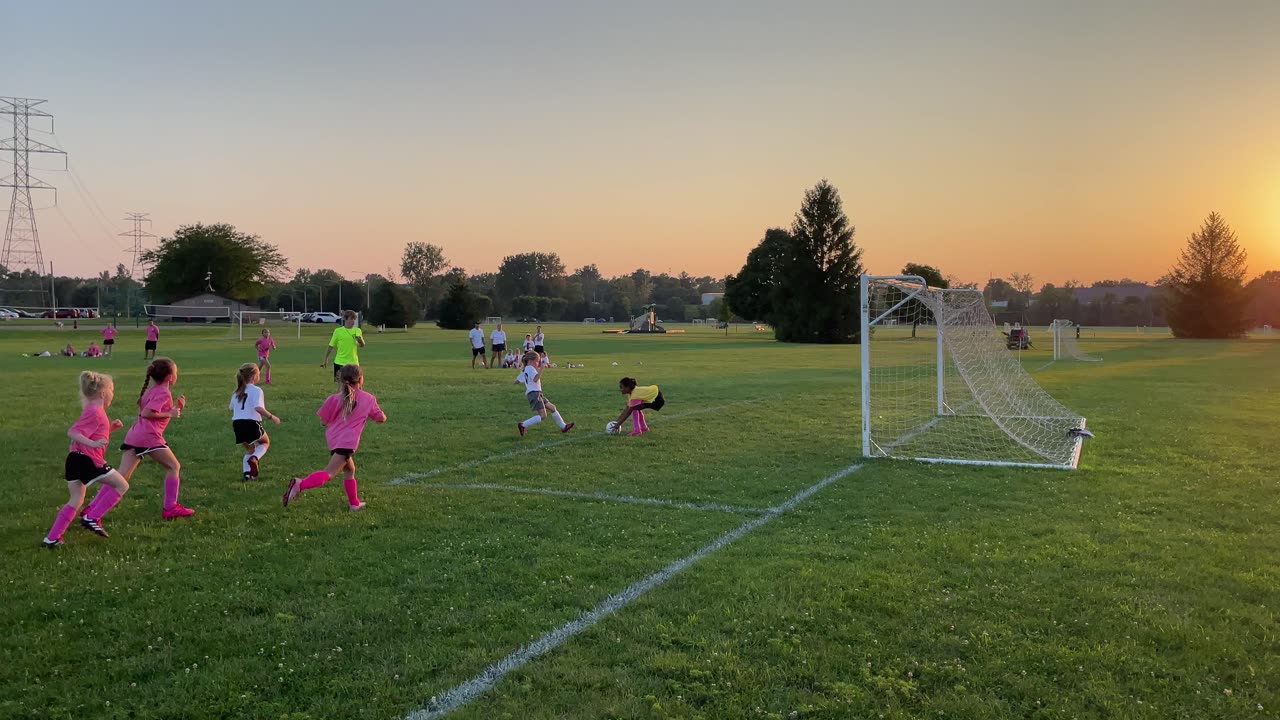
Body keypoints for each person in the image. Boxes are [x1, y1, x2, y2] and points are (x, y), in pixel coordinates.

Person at [42, 371, 131, 547]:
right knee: (122, 485)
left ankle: (52, 538)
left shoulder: (94, 411)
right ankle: (92, 517)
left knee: (76, 499)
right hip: (87, 460)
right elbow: (73, 432)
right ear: (103, 393)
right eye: (112, 390)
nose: (113, 393)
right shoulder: (95, 412)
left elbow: (92, 434)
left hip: (75, 459)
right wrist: (93, 443)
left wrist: (110, 430)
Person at [282, 363, 386, 511]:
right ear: (361, 379)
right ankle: (300, 484)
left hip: (334, 439)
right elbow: (380, 418)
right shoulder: (368, 399)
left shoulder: (334, 398)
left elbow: (323, 421)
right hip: (348, 442)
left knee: (349, 469)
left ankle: (354, 504)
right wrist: (381, 416)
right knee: (329, 473)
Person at [117, 357, 193, 519]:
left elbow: (156, 411)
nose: (177, 375)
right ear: (169, 377)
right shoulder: (164, 392)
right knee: (173, 466)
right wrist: (170, 413)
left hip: (135, 434)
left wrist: (177, 408)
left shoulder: (152, 389)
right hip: (148, 437)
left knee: (121, 478)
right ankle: (170, 508)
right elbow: (147, 413)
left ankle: (92, 510)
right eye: (176, 372)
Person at [231, 363, 280, 481]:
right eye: (259, 374)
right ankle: (255, 458)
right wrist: (272, 416)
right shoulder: (257, 390)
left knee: (250, 448)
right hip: (251, 423)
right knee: (265, 443)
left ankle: (247, 475)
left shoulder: (237, 392)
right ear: (253, 377)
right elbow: (258, 408)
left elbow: (232, 407)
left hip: (237, 424)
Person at [514, 351, 574, 437]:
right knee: (543, 415)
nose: (538, 363)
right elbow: (535, 379)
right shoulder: (530, 369)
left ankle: (564, 426)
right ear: (531, 361)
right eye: (537, 361)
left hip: (537, 393)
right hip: (534, 394)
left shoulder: (526, 369)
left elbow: (517, 381)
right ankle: (523, 424)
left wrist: (515, 381)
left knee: (552, 408)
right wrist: (542, 368)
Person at [321, 310, 365, 381]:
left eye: (354, 319)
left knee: (356, 384)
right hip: (340, 362)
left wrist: (360, 341)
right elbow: (331, 346)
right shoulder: (338, 331)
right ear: (346, 319)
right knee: (341, 385)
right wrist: (326, 359)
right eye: (351, 319)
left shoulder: (358, 330)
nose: (353, 321)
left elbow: (362, 345)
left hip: (354, 363)